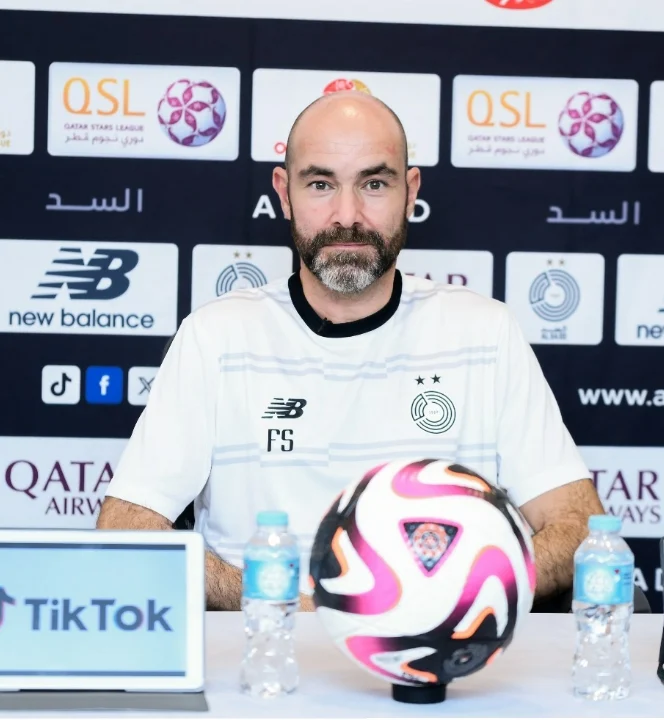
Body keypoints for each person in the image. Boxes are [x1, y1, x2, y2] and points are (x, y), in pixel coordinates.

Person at [97, 90, 606, 612]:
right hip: (269, 643)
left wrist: (450, 601)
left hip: (444, 647)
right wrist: (294, 606)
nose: (348, 215)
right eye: (320, 184)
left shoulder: (485, 332)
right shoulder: (215, 336)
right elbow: (126, 527)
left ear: (410, 192)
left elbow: (579, 528)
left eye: (374, 184)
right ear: (284, 193)